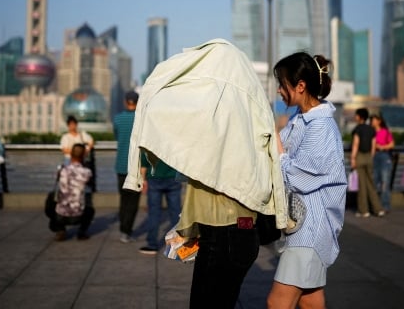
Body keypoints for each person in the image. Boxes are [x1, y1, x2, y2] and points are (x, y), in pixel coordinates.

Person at [122, 39, 287, 309]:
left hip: (225, 235)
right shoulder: (251, 117)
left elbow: (164, 114)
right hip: (240, 232)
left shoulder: (208, 128)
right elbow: (276, 158)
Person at [267, 52, 347, 309]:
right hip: (307, 225)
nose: (279, 90)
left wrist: (277, 147)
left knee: (277, 304)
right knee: (311, 302)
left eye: (283, 83)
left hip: (309, 228)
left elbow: (297, 176)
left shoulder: (320, 126)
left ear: (300, 86)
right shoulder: (302, 119)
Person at [138, 150, 183, 255]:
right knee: (176, 213)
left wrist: (143, 180)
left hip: (154, 178)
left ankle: (152, 245)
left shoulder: (149, 139)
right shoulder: (174, 138)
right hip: (173, 177)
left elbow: (144, 162)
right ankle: (177, 245)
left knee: (154, 213)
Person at [49, 143, 95, 241]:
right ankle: (82, 232)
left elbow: (57, 183)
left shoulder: (62, 170)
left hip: (60, 215)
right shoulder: (87, 172)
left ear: (70, 154)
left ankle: (60, 229)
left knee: (52, 202)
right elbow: (91, 186)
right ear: (83, 156)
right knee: (90, 210)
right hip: (78, 215)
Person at [113, 90, 141, 243]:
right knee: (133, 201)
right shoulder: (141, 119)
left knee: (123, 199)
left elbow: (117, 136)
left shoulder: (117, 119)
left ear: (125, 102)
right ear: (138, 102)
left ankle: (122, 227)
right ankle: (126, 231)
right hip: (136, 168)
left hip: (120, 166)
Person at [351, 108, 384, 218]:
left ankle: (364, 210)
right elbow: (374, 146)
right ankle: (378, 209)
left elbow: (356, 144)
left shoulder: (357, 129)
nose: (355, 117)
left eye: (356, 115)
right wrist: (371, 157)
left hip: (360, 156)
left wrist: (353, 159)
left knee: (362, 185)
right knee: (371, 184)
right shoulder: (371, 129)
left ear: (360, 117)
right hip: (369, 157)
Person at [60, 116, 95, 192]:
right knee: (68, 180)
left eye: (74, 124)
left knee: (80, 182)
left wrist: (86, 150)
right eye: (70, 124)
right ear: (68, 125)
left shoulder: (82, 135)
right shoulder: (65, 137)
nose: (72, 126)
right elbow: (64, 150)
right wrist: (78, 151)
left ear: (76, 125)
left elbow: (91, 141)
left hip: (80, 160)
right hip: (69, 160)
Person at [371, 114, 395, 211]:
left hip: (384, 156)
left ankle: (385, 205)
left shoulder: (385, 132)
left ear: (379, 121)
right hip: (374, 157)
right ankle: (375, 206)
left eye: (374, 120)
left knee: (385, 182)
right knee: (374, 182)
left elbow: (392, 144)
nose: (372, 122)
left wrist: (381, 147)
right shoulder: (371, 132)